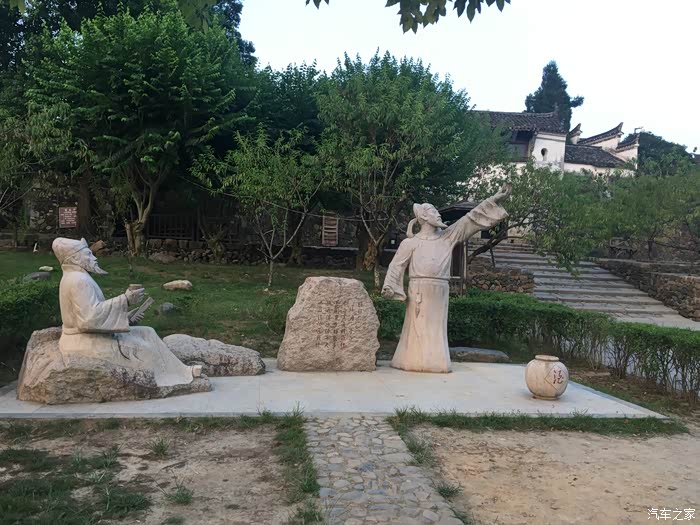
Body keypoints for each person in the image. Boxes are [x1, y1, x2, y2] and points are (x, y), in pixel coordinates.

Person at [382, 184, 512, 373]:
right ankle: (410, 359)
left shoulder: (448, 237)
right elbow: (396, 265)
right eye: (433, 211)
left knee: (436, 329)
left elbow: (471, 219)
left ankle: (436, 361)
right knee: (416, 328)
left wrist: (493, 199)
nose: (438, 214)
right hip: (418, 290)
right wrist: (389, 286)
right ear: (424, 217)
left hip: (440, 291)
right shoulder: (410, 243)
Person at [52, 237, 199, 387]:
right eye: (88, 254)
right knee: (145, 349)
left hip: (90, 334)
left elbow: (92, 313)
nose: (94, 258)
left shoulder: (78, 277)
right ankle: (167, 379)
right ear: (75, 258)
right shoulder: (78, 280)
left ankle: (181, 371)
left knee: (147, 332)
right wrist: (125, 300)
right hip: (82, 340)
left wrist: (126, 317)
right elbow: (89, 319)